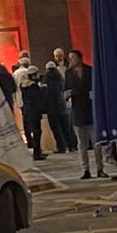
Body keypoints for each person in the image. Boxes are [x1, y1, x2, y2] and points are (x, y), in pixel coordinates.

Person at [65, 47, 97, 177]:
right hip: (77, 111)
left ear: (79, 58)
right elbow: (65, 90)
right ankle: (86, 169)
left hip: (90, 110)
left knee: (96, 143)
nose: (71, 60)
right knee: (82, 144)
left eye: (73, 57)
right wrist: (66, 95)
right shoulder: (68, 73)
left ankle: (100, 168)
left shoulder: (90, 70)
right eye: (70, 58)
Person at [15, 52, 52, 161]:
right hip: (34, 111)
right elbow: (38, 98)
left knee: (33, 131)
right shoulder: (33, 86)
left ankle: (37, 152)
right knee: (37, 132)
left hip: (27, 110)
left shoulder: (23, 85)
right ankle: (37, 153)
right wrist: (43, 89)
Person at [47, 48, 76, 154]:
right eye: (56, 56)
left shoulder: (69, 67)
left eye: (60, 55)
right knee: (66, 126)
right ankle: (70, 145)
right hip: (62, 103)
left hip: (65, 100)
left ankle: (68, 145)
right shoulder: (56, 73)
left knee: (66, 126)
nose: (58, 58)